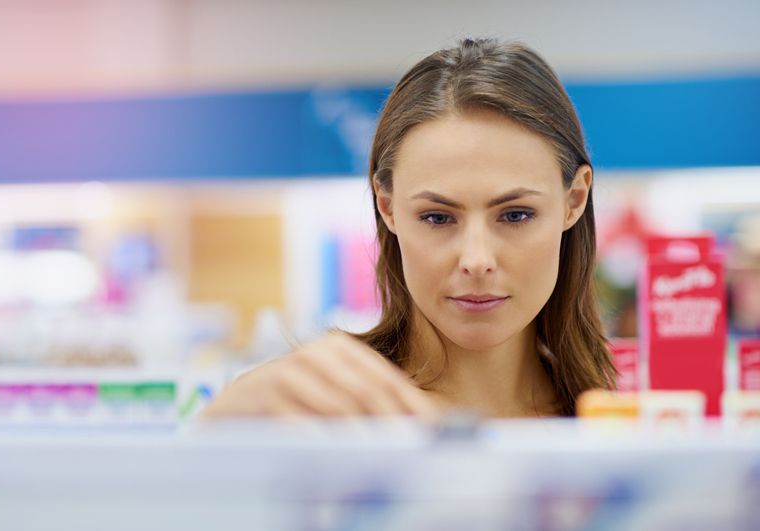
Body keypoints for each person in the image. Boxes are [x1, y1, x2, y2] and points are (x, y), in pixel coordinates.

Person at [203, 37, 616, 420]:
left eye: (515, 215)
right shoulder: (318, 411)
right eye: (437, 217)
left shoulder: (625, 414)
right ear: (388, 207)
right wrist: (222, 425)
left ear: (574, 200)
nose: (476, 261)